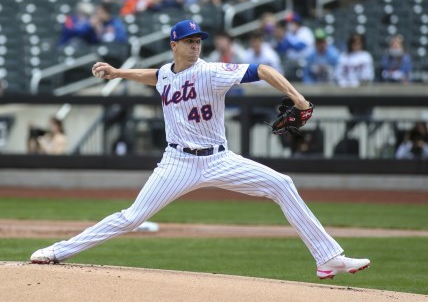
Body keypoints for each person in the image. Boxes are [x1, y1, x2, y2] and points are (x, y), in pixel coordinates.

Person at [31, 20, 370, 279]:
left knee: (282, 184)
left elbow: (263, 70)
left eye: (198, 41)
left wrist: (298, 98)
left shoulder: (212, 72)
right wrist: (119, 72)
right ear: (174, 44)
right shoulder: (167, 73)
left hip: (219, 159)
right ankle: (57, 252)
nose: (196, 47)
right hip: (177, 162)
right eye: (189, 42)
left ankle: (327, 258)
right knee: (131, 217)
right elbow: (156, 75)